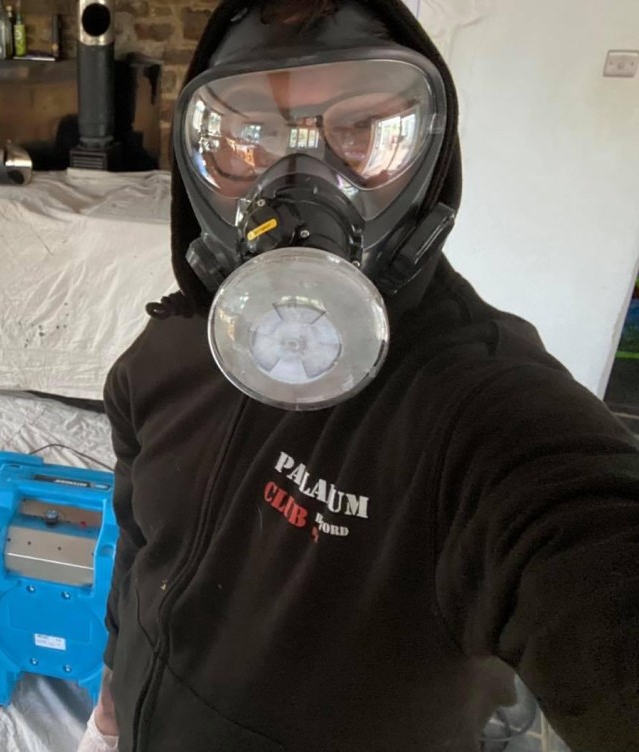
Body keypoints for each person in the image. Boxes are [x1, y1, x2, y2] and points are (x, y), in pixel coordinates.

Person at [77, 0, 639, 750]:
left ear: (431, 163)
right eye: (250, 136)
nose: (299, 181)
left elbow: (585, 545)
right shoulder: (166, 353)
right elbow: (138, 547)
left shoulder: (479, 416)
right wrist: (113, 705)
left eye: (363, 131)